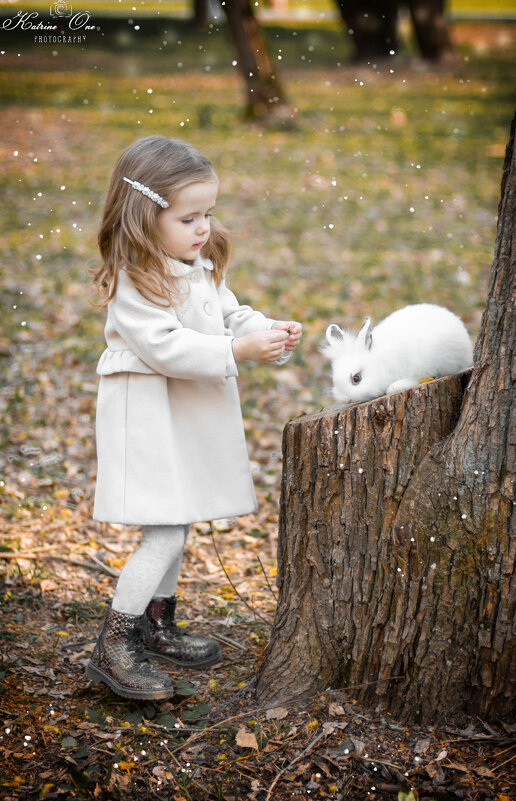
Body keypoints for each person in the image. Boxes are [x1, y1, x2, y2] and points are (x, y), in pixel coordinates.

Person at [86, 135, 302, 700]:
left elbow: (230, 312)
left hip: (179, 410)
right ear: (143, 215)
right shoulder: (136, 276)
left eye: (208, 213)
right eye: (188, 217)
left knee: (175, 524)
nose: (203, 227)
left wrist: (262, 330)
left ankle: (157, 623)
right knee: (163, 528)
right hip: (148, 412)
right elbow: (165, 347)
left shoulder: (194, 262)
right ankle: (115, 642)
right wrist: (235, 354)